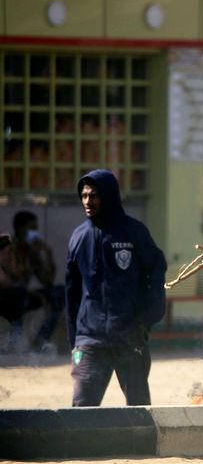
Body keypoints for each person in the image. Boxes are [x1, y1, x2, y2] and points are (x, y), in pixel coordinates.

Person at [66, 169, 166, 406]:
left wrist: (147, 318)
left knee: (139, 408)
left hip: (129, 337)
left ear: (109, 196)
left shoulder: (134, 232)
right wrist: (75, 339)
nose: (87, 202)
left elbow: (157, 267)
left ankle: (141, 446)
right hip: (89, 340)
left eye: (94, 196)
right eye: (84, 196)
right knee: (81, 410)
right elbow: (72, 293)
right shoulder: (78, 237)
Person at [0, 211, 64, 353]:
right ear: (19, 229)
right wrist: (34, 294)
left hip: (23, 297)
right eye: (31, 228)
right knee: (18, 293)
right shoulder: (6, 248)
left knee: (59, 293)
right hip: (5, 298)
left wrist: (47, 253)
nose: (34, 233)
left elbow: (47, 281)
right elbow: (4, 283)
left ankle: (40, 341)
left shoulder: (31, 252)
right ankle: (15, 343)